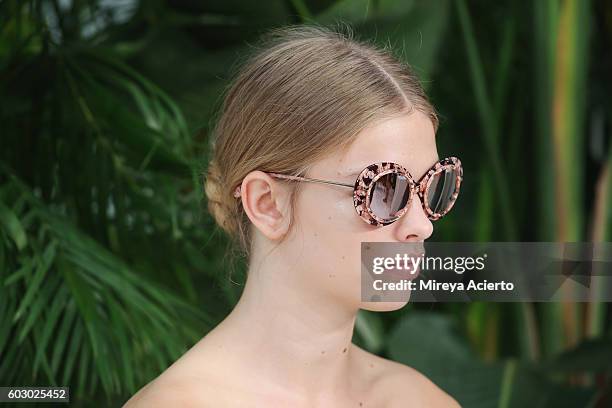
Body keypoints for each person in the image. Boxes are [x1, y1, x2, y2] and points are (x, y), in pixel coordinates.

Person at [124, 24, 461, 408]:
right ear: (267, 203)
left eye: (433, 187)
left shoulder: (418, 400)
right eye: (385, 190)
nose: (422, 224)